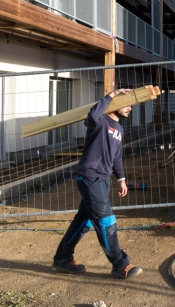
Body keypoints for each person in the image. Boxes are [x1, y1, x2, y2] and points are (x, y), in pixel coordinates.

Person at [52, 88, 142, 279]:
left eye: (131, 106)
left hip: (103, 179)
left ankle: (62, 259)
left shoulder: (119, 129)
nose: (130, 109)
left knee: (83, 222)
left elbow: (116, 156)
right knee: (106, 220)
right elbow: (92, 115)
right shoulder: (100, 121)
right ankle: (120, 265)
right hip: (89, 177)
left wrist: (122, 179)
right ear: (115, 104)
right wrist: (111, 95)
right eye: (126, 104)